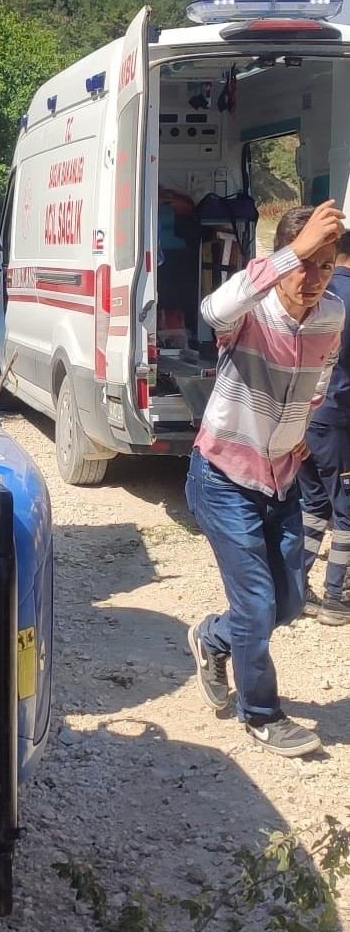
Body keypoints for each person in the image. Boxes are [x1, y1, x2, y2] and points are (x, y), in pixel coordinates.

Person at [185, 200, 346, 757]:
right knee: (256, 603)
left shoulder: (331, 315)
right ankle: (261, 713)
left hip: (282, 479)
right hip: (222, 478)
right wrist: (291, 254)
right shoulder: (251, 313)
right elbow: (213, 308)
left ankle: (212, 638)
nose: (312, 277)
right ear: (281, 259)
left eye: (325, 265)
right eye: (304, 263)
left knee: (289, 602)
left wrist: (303, 425)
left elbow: (320, 375)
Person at [298, 227, 350, 623]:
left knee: (314, 504)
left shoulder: (316, 295)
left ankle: (295, 587)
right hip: (338, 421)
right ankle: (337, 595)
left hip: (303, 419)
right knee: (346, 511)